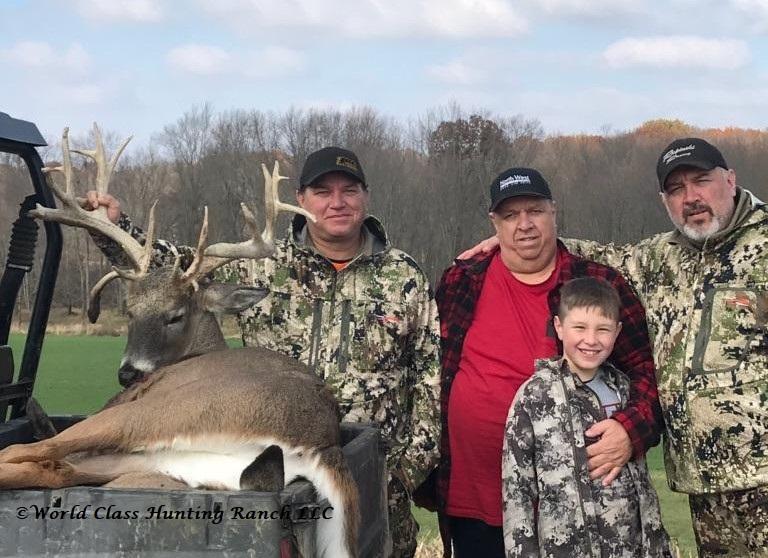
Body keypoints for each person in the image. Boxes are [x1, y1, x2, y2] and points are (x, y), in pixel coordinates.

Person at [84, 146, 441, 558]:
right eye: (323, 191)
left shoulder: (404, 276)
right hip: (265, 479)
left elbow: (428, 388)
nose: (337, 202)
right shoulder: (258, 264)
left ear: (366, 196)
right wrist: (115, 226)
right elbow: (170, 269)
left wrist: (392, 477)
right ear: (302, 200)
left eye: (349, 190)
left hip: (372, 488)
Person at [460, 137, 768, 557]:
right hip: (705, 482)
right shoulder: (662, 257)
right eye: (676, 189)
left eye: (701, 181)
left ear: (731, 180)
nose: (691, 197)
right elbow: (600, 254)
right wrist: (518, 237)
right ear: (664, 200)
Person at [433, 167, 662, 557]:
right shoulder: (461, 281)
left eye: (535, 211)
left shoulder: (597, 283)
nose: (524, 225)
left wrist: (630, 431)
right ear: (495, 223)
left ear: (553, 212)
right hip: (474, 501)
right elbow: (431, 370)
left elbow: (648, 374)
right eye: (510, 216)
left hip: (576, 509)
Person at [502, 277, 671, 557]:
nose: (590, 340)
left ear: (617, 333)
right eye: (579, 327)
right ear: (559, 327)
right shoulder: (534, 396)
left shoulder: (625, 392)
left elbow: (643, 486)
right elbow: (516, 490)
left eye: (602, 329)